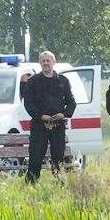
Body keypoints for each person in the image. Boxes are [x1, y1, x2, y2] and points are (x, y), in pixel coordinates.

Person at [22, 51, 76, 183]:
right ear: (40, 63)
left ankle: (60, 185)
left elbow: (71, 102)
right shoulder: (33, 81)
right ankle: (31, 185)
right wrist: (41, 116)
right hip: (39, 125)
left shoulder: (63, 80)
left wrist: (63, 114)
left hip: (58, 125)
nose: (46, 63)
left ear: (54, 62)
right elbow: (28, 103)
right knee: (35, 157)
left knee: (58, 158)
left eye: (48, 60)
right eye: (43, 60)